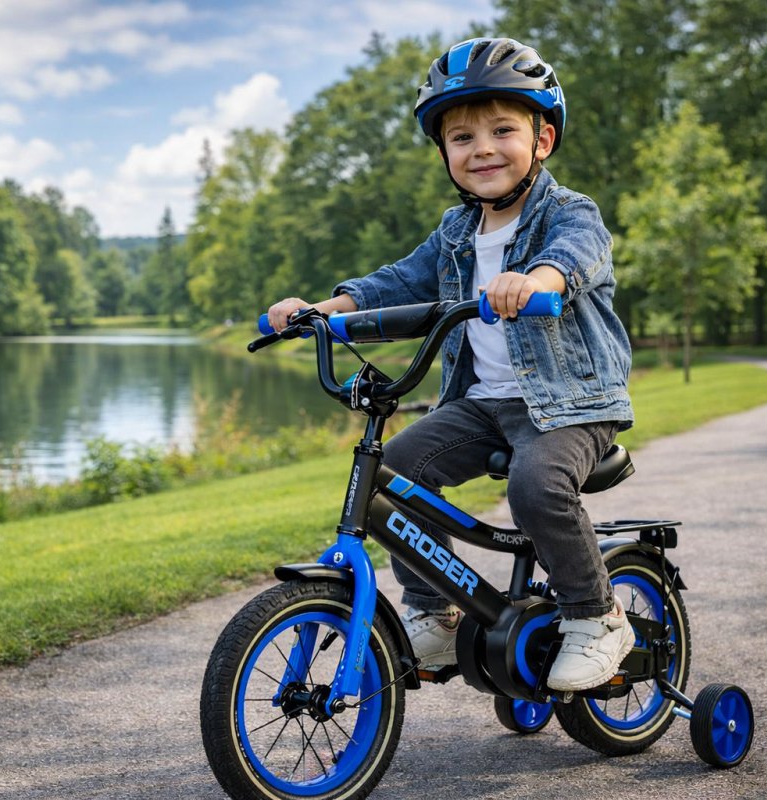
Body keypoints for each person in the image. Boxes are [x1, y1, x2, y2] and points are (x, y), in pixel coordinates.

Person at [266, 37, 635, 693]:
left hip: (569, 408)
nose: (483, 148)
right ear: (444, 153)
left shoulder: (569, 213)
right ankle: (435, 612)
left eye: (502, 130)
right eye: (462, 137)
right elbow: (398, 281)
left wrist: (534, 277)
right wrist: (319, 310)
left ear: (542, 139)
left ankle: (597, 616)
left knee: (536, 488)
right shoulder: (457, 232)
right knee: (395, 472)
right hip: (483, 405)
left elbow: (576, 256)